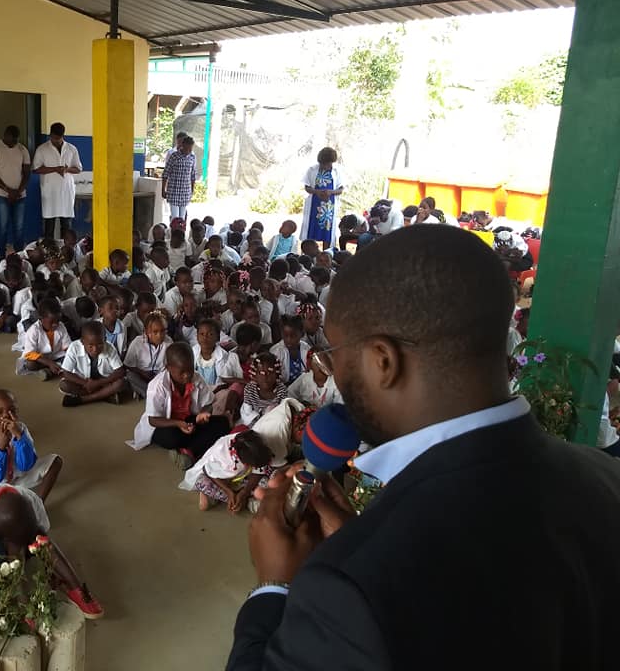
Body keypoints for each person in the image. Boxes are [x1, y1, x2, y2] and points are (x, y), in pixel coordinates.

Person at [226, 224, 620, 670]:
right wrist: (367, 537)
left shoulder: (350, 589)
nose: (333, 371)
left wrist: (274, 586)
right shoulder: (606, 476)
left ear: (383, 361)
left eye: (335, 354)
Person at [0, 483, 103, 618]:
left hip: (9, 534)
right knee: (14, 546)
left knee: (38, 537)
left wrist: (49, 567)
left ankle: (76, 588)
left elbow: (42, 535)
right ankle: (23, 603)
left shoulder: (31, 500)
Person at [129, 342, 231, 467]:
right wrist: (178, 424)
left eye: (190, 370)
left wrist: (204, 413)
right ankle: (194, 448)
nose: (187, 375)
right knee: (172, 437)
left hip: (189, 420)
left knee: (223, 423)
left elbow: (208, 403)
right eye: (182, 372)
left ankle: (188, 451)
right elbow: (153, 420)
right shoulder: (157, 386)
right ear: (168, 368)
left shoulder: (197, 378)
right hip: (166, 424)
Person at [180, 429, 274, 513]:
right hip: (212, 475)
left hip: (239, 476)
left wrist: (244, 492)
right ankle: (245, 501)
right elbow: (208, 471)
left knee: (268, 483)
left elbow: (259, 470)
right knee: (202, 484)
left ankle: (240, 497)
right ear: (246, 464)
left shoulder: (255, 443)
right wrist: (229, 492)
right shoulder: (221, 455)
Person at [59, 320, 126, 407]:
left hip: (103, 382)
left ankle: (84, 399)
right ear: (82, 342)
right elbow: (66, 372)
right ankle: (104, 395)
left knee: (120, 383)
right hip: (83, 382)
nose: (95, 349)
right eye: (90, 346)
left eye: (100, 345)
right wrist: (86, 383)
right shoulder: (74, 347)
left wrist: (98, 383)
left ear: (105, 340)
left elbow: (120, 371)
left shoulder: (110, 348)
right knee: (64, 385)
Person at [32, 122, 82, 239]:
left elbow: (78, 169)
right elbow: (36, 169)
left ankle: (66, 248)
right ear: (50, 135)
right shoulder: (42, 149)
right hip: (50, 192)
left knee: (66, 225)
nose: (55, 141)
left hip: (66, 191)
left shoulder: (71, 149)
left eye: (58, 139)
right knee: (49, 226)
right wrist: (55, 169)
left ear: (63, 136)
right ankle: (49, 248)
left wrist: (67, 169)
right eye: (53, 138)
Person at [0, 125, 31, 252]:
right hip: (1, 194)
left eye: (16, 140)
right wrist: (8, 190)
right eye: (12, 139)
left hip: (20, 195)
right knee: (3, 227)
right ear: (5, 135)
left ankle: (19, 255)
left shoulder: (23, 150)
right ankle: (1, 256)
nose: (14, 143)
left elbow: (27, 174)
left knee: (19, 228)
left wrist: (18, 191)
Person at [300, 146, 344, 250]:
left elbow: (341, 189)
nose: (325, 166)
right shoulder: (312, 170)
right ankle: (310, 252)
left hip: (329, 208)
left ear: (332, 162)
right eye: (322, 163)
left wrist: (331, 192)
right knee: (312, 228)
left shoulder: (337, 172)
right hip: (314, 205)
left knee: (327, 231)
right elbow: (307, 187)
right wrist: (317, 192)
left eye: (327, 163)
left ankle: (326, 252)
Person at [161, 135, 197, 223]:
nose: (188, 151)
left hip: (185, 192)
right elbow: (165, 174)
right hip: (174, 191)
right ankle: (174, 230)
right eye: (187, 149)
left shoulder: (192, 157)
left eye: (190, 149)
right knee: (175, 218)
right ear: (182, 145)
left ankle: (180, 231)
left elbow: (193, 175)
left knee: (182, 218)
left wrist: (192, 191)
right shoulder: (174, 156)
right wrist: (163, 190)